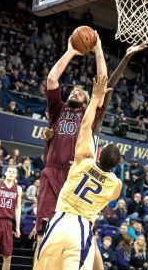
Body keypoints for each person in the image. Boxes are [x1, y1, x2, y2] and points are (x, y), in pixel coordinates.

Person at [33, 75, 123, 270]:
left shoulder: (79, 165)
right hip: (81, 227)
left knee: (44, 259)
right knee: (90, 249)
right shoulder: (114, 184)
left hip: (60, 221)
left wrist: (96, 94)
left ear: (99, 155)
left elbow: (85, 124)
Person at [0, 167, 22, 270]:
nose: (11, 173)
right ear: (5, 173)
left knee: (8, 256)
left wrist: (17, 227)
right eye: (9, 171)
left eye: (13, 172)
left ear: (16, 175)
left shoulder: (18, 189)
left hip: (7, 223)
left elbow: (18, 208)